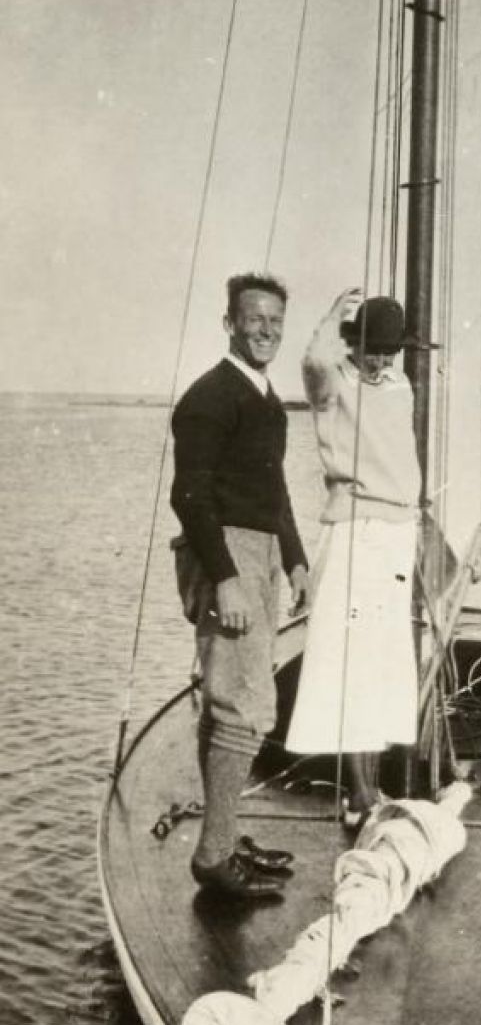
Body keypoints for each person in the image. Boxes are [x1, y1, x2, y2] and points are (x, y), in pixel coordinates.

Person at [170, 272, 309, 898]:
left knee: (231, 700)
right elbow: (189, 496)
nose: (266, 331)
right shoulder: (211, 396)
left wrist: (297, 559)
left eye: (276, 322)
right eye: (254, 319)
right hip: (226, 557)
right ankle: (214, 855)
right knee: (246, 708)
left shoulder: (264, 397)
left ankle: (223, 837)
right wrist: (225, 579)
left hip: (258, 556)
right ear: (230, 322)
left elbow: (273, 492)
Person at [285, 290, 421, 824]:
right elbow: (313, 360)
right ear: (355, 342)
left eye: (389, 352)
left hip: (397, 531)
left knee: (384, 661)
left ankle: (373, 790)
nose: (381, 361)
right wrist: (336, 309)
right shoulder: (333, 383)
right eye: (372, 349)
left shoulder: (401, 384)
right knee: (349, 661)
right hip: (355, 527)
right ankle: (359, 793)